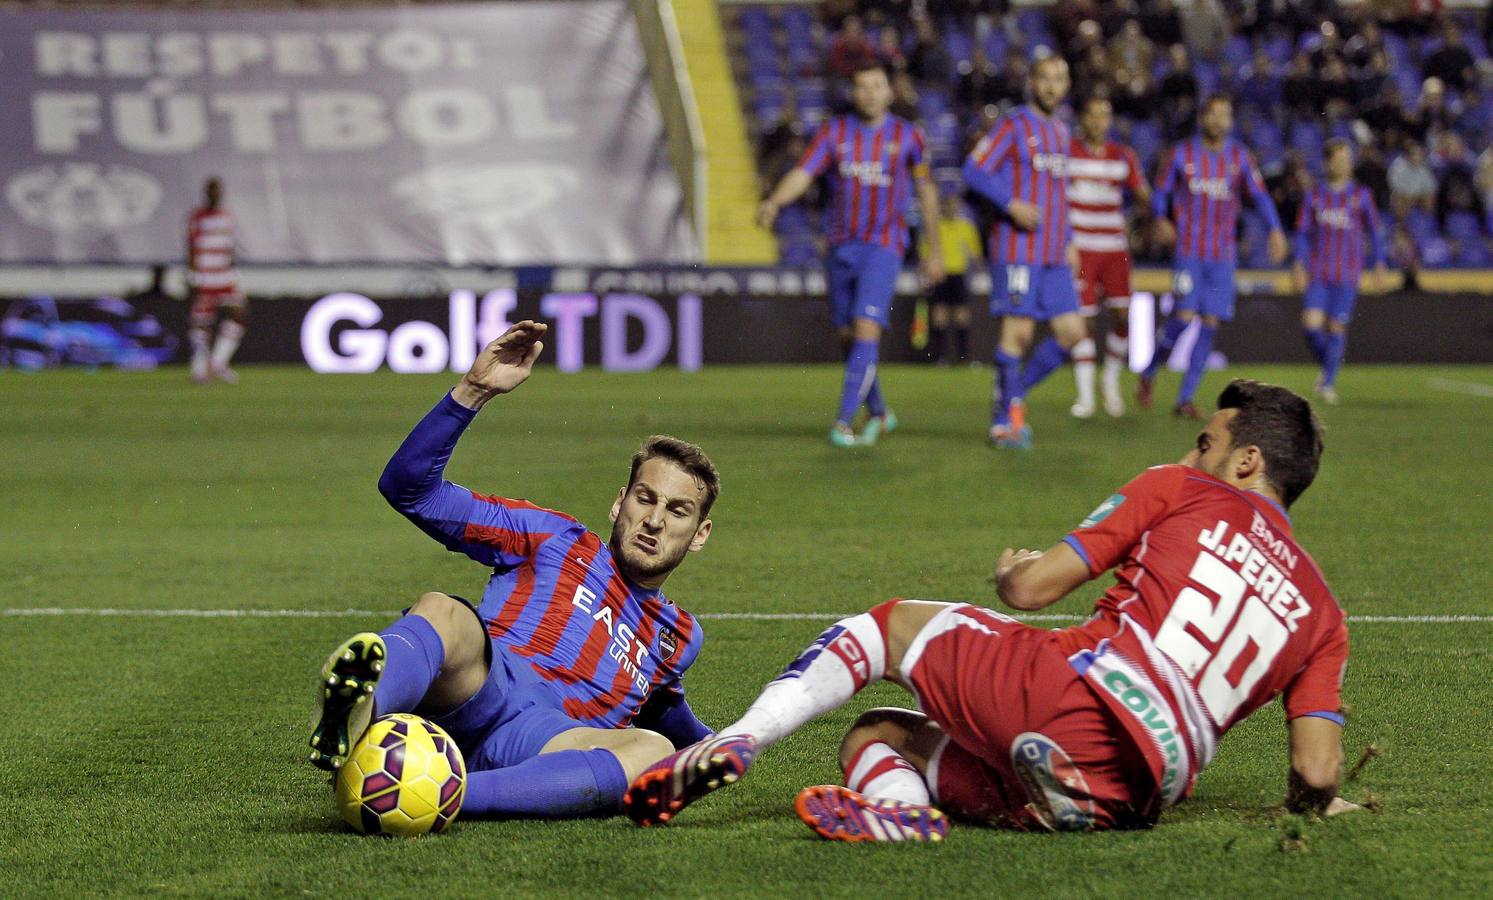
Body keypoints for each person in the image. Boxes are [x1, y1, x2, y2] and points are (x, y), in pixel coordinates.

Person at [624, 380, 1357, 842]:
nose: (1192, 454)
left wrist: (1011, 572)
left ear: (1246, 460)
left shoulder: (1183, 488)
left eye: (1206, 441)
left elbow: (1036, 592)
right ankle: (899, 815)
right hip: (1124, 795)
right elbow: (1317, 772)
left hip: (1073, 698)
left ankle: (739, 739)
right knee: (875, 737)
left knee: (889, 625)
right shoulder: (1322, 614)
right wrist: (1311, 804)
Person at [307, 321, 720, 819]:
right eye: (644, 498)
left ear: (699, 534)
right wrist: (472, 391)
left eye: (677, 511)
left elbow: (672, 718)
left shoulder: (678, 638)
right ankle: (358, 718)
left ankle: (447, 793)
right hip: (483, 686)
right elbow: (408, 489)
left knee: (652, 750)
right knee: (443, 611)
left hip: (548, 739)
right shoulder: (551, 536)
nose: (654, 519)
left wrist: (728, 742)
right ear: (619, 503)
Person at [758, 61, 943, 448]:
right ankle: (879, 411)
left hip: (884, 245)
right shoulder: (834, 133)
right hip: (840, 247)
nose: (870, 93)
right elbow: (804, 173)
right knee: (849, 336)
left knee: (865, 329)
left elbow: (926, 193)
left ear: (889, 92)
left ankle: (843, 422)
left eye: (877, 85)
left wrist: (934, 249)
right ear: (853, 93)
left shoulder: (909, 137)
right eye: (863, 86)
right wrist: (775, 201)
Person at [962, 54, 1083, 449]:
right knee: (1019, 332)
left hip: (1053, 252)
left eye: (1058, 79)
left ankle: (1013, 395)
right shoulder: (1014, 126)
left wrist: (1069, 240)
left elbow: (1058, 192)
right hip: (1018, 248)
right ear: (1032, 82)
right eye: (1044, 78)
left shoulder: (1062, 131)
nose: (1051, 86)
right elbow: (974, 170)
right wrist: (1010, 203)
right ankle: (1002, 422)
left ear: (1066, 85)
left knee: (1072, 332)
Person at [1141, 95, 1287, 419]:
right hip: (1188, 252)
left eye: (1226, 115)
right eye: (1215, 114)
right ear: (1203, 118)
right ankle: (1150, 370)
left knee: (1209, 324)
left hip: (1222, 256)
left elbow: (1260, 196)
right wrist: (1160, 218)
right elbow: (1161, 192)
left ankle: (1184, 399)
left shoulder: (1239, 157)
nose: (1220, 120)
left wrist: (1275, 229)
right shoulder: (1182, 154)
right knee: (1182, 317)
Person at [1067, 95, 1151, 418]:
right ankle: (1085, 395)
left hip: (1115, 248)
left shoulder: (1122, 156)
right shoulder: (1069, 153)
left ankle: (1110, 381)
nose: (1099, 122)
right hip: (1082, 247)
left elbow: (1142, 194)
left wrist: (1142, 215)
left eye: (1105, 115)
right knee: (1084, 320)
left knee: (1121, 316)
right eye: (1093, 115)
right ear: (1083, 119)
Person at [1293, 141, 1389, 405]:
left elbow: (1375, 232)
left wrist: (1379, 263)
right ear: (1327, 162)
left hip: (1347, 273)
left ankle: (1328, 383)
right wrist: (1299, 263)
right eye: (1337, 158)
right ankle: (1329, 368)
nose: (1342, 163)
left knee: (1337, 327)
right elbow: (1302, 234)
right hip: (1319, 272)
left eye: (1346, 158)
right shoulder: (1314, 196)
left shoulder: (1361, 195)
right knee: (1311, 326)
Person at [185, 177, 247, 384]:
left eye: (219, 191)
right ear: (207, 193)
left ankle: (218, 361)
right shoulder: (197, 217)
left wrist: (231, 270)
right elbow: (191, 247)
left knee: (238, 314)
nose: (216, 195)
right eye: (213, 191)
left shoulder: (227, 217)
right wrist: (192, 273)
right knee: (202, 323)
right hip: (205, 276)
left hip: (223, 276)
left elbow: (229, 247)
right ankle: (199, 369)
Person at [919, 193, 983, 365]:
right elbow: (924, 255)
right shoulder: (935, 228)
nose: (951, 207)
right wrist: (924, 274)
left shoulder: (966, 227)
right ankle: (941, 357)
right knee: (939, 315)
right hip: (939, 274)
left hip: (959, 274)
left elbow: (976, 254)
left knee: (962, 316)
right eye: (947, 204)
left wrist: (980, 271)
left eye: (954, 204)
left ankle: (964, 357)